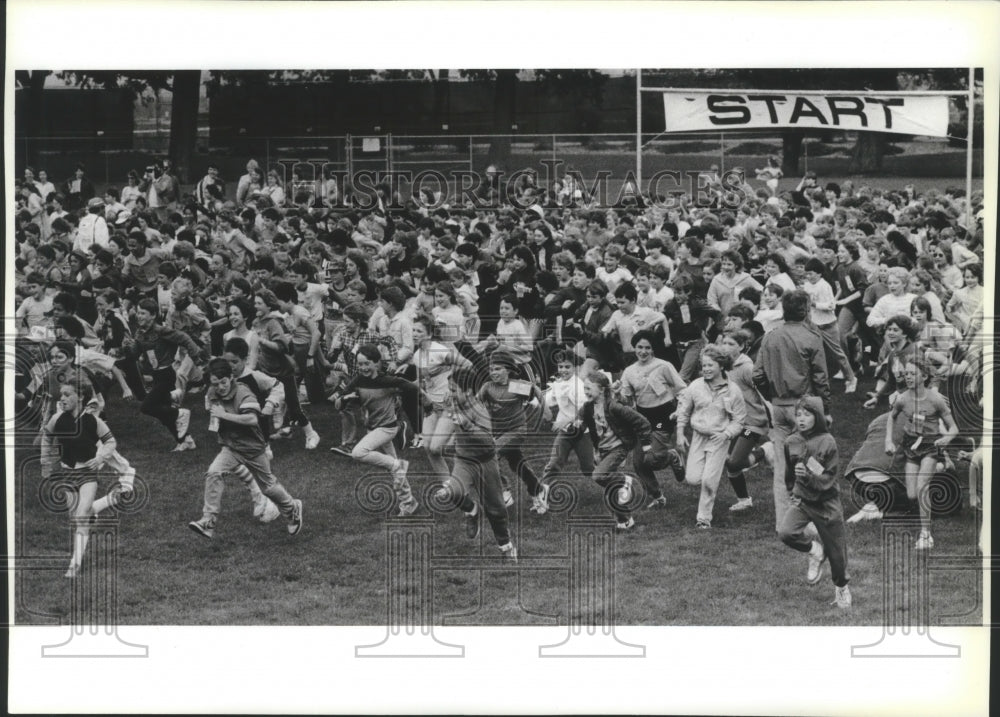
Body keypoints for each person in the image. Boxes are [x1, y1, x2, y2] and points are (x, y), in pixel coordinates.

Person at [189, 359, 303, 539]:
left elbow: (252, 419)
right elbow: (215, 413)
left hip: (253, 448)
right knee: (213, 473)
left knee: (268, 488)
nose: (220, 387)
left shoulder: (243, 392)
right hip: (231, 447)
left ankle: (292, 508)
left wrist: (223, 415)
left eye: (223, 382)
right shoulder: (212, 391)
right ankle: (208, 521)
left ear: (231, 377)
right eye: (215, 384)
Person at [753, 289, 831, 532]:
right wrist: (825, 408)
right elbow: (821, 377)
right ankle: (811, 517)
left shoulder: (770, 336)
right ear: (806, 310)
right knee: (812, 459)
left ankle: (784, 521)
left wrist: (773, 397)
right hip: (805, 404)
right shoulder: (811, 336)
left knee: (783, 465)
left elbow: (757, 375)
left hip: (779, 406)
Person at [777, 397, 851, 609]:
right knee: (786, 532)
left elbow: (829, 478)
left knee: (837, 554)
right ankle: (815, 550)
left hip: (826, 503)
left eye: (807, 415)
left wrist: (809, 476)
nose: (801, 419)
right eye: (798, 414)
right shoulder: (791, 441)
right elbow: (789, 472)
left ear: (817, 417)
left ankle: (842, 588)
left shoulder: (827, 441)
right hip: (803, 501)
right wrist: (793, 490)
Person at [437, 365, 517, 561]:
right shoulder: (455, 402)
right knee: (452, 493)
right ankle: (471, 509)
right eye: (449, 389)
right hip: (464, 460)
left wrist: (467, 425)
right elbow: (446, 410)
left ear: (469, 392)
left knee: (496, 510)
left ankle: (506, 547)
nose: (450, 394)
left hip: (485, 462)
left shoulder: (479, 410)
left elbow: (488, 440)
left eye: (454, 390)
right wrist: (446, 407)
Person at [330, 344, 420, 517]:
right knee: (395, 472)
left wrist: (426, 403)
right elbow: (338, 404)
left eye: (367, 363)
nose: (363, 368)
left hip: (387, 428)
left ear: (377, 363)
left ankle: (398, 465)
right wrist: (345, 398)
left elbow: (412, 388)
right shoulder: (357, 380)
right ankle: (409, 502)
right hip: (372, 428)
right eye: (360, 364)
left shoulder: (387, 381)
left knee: (358, 452)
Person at [39, 381, 118, 577]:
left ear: (80, 397)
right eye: (61, 395)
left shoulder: (93, 421)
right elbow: (46, 438)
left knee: (81, 516)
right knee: (76, 518)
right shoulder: (57, 419)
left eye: (67, 395)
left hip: (87, 473)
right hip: (68, 473)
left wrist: (100, 457)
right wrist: (46, 462)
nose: (62, 399)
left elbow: (110, 441)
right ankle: (108, 501)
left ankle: (75, 564)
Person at [884, 358, 958, 550]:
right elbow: (891, 419)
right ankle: (941, 468)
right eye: (906, 373)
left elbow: (953, 428)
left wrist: (946, 439)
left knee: (922, 487)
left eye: (912, 373)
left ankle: (926, 535)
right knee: (911, 494)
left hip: (930, 445)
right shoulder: (902, 398)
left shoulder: (935, 400)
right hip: (911, 446)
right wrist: (888, 440)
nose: (908, 377)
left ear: (924, 376)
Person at [675, 344, 748, 529]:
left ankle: (703, 519)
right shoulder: (696, 386)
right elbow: (683, 411)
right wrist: (680, 434)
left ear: (722, 365)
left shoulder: (733, 390)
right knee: (692, 479)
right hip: (699, 436)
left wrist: (726, 434)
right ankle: (683, 462)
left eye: (710, 365)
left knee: (709, 480)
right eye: (703, 365)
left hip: (719, 438)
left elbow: (739, 420)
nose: (705, 369)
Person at [122, 298, 206, 451]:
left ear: (153, 315)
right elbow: (135, 355)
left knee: (147, 407)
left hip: (167, 375)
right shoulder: (140, 333)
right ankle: (185, 440)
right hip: (156, 376)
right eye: (138, 313)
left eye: (143, 313)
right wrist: (128, 348)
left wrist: (196, 358)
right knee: (163, 414)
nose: (139, 316)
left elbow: (185, 338)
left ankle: (179, 412)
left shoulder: (162, 331)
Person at [618, 330, 687, 507]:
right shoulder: (629, 371)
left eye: (647, 348)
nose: (643, 351)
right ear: (634, 348)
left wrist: (680, 409)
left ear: (653, 349)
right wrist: (618, 393)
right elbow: (627, 398)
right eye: (640, 347)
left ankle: (672, 457)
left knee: (652, 460)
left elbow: (682, 388)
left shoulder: (663, 366)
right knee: (639, 463)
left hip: (663, 414)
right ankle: (658, 497)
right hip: (642, 417)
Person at [476, 349, 550, 512]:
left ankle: (504, 490)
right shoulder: (487, 387)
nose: (493, 372)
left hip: (516, 430)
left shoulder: (515, 386)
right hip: (498, 433)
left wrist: (545, 410)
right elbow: (476, 404)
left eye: (497, 369)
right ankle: (538, 489)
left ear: (508, 369)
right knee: (517, 463)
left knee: (490, 456)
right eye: (491, 369)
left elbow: (536, 390)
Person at [580, 370, 652, 531]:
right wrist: (575, 425)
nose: (585, 392)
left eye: (589, 388)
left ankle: (624, 479)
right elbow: (582, 421)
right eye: (584, 388)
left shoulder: (614, 406)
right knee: (610, 492)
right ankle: (625, 521)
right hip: (602, 450)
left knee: (598, 476)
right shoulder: (588, 407)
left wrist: (646, 444)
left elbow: (643, 422)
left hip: (618, 448)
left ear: (602, 390)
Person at [252, 289, 321, 450]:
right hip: (265, 371)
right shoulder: (256, 322)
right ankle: (266, 444)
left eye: (259, 303)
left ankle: (311, 434)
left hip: (282, 372)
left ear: (269, 306)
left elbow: (283, 347)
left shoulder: (273, 322)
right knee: (261, 407)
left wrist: (262, 341)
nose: (256, 306)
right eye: (255, 303)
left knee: (294, 406)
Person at [718, 329, 774, 513]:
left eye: (731, 344)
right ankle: (744, 500)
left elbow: (765, 394)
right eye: (723, 343)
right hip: (734, 423)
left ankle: (764, 452)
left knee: (734, 462)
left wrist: (774, 421)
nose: (725, 347)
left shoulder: (746, 368)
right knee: (729, 463)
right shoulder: (722, 367)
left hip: (753, 423)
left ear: (742, 347)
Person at [540, 350, 595, 488]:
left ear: (575, 368)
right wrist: (533, 396)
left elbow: (586, 410)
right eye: (560, 366)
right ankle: (541, 494)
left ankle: (621, 482)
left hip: (582, 432)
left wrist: (566, 420)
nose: (563, 370)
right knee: (554, 463)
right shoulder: (558, 384)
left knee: (589, 469)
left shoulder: (579, 386)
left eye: (567, 367)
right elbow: (547, 400)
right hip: (565, 432)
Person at [802, 257, 857, 393]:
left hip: (827, 324)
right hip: (813, 323)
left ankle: (851, 378)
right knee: (812, 353)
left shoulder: (824, 286)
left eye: (811, 274)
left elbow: (831, 306)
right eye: (807, 274)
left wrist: (814, 304)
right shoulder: (807, 285)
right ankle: (813, 381)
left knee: (837, 353)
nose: (808, 276)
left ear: (819, 273)